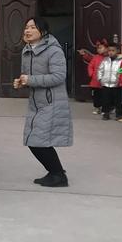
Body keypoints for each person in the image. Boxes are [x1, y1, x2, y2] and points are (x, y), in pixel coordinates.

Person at [15, 17, 73, 187]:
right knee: (34, 140)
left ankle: (58, 175)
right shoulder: (27, 50)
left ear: (44, 31)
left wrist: (31, 80)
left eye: (33, 27)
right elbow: (28, 76)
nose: (28, 30)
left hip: (51, 102)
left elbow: (59, 76)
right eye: (26, 27)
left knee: (37, 141)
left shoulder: (53, 50)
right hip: (36, 103)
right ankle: (55, 173)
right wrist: (22, 82)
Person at [78, 40, 108, 115]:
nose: (99, 50)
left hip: (106, 81)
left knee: (105, 96)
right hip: (95, 82)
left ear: (106, 48)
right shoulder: (96, 57)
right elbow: (90, 66)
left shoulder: (109, 58)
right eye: (98, 48)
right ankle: (97, 107)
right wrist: (91, 74)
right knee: (96, 96)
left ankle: (105, 109)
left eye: (101, 48)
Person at [97, 44, 122, 121]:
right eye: (109, 51)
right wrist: (100, 79)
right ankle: (106, 113)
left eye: (113, 50)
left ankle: (119, 114)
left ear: (117, 51)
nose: (111, 52)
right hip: (105, 84)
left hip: (116, 84)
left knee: (117, 100)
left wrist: (120, 81)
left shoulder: (121, 61)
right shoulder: (105, 60)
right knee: (105, 100)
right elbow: (100, 70)